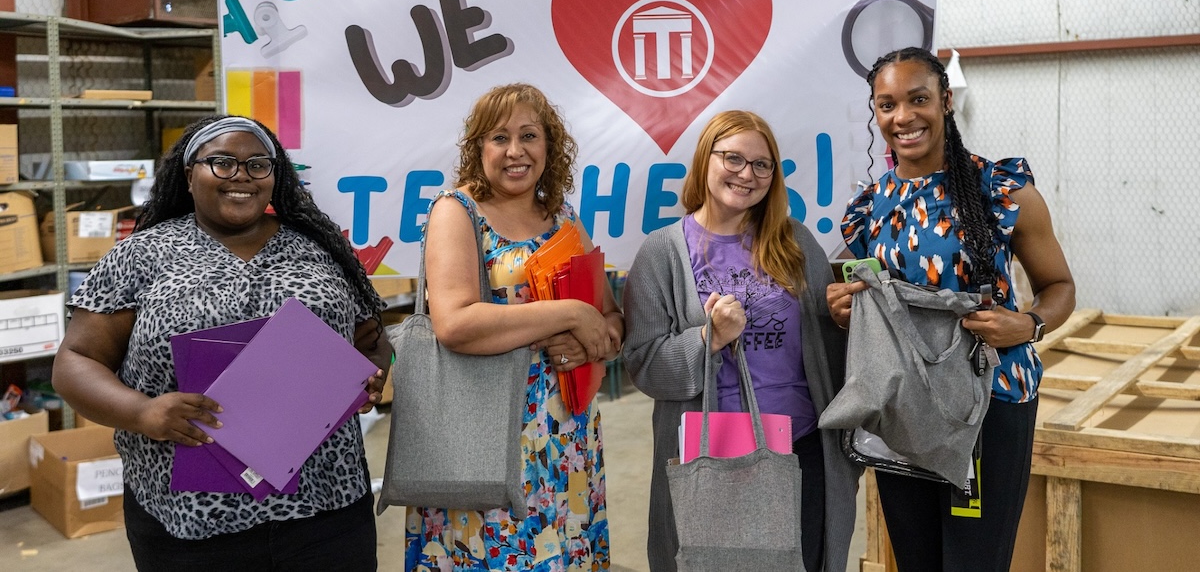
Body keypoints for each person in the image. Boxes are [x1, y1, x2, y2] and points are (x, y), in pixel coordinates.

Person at [52, 115, 391, 571]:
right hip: (192, 522)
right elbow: (76, 360)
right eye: (222, 163)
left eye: (258, 165)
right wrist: (143, 412)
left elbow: (374, 341)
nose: (242, 177)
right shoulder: (140, 254)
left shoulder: (321, 249)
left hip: (325, 509)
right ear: (189, 174)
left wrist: (371, 371)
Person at [826, 46, 1076, 572]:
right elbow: (857, 296)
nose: (903, 117)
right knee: (916, 561)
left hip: (988, 402)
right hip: (902, 406)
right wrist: (842, 306)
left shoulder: (1002, 191)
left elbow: (1059, 286)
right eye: (887, 104)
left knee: (973, 562)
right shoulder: (868, 208)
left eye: (918, 99)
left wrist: (1028, 325)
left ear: (945, 102)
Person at [622, 110, 861, 572]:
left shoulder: (795, 244)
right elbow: (645, 365)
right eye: (733, 158)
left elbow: (826, 349)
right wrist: (707, 340)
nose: (746, 174)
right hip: (709, 455)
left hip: (799, 448)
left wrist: (841, 317)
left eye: (761, 165)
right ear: (705, 159)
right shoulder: (662, 251)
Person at [404, 83, 624, 571]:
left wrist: (590, 346)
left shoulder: (562, 218)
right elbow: (455, 322)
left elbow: (609, 320)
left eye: (530, 135)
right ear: (478, 147)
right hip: (484, 439)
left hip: (564, 440)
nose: (515, 151)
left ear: (550, 147)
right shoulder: (456, 212)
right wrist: (567, 315)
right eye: (499, 137)